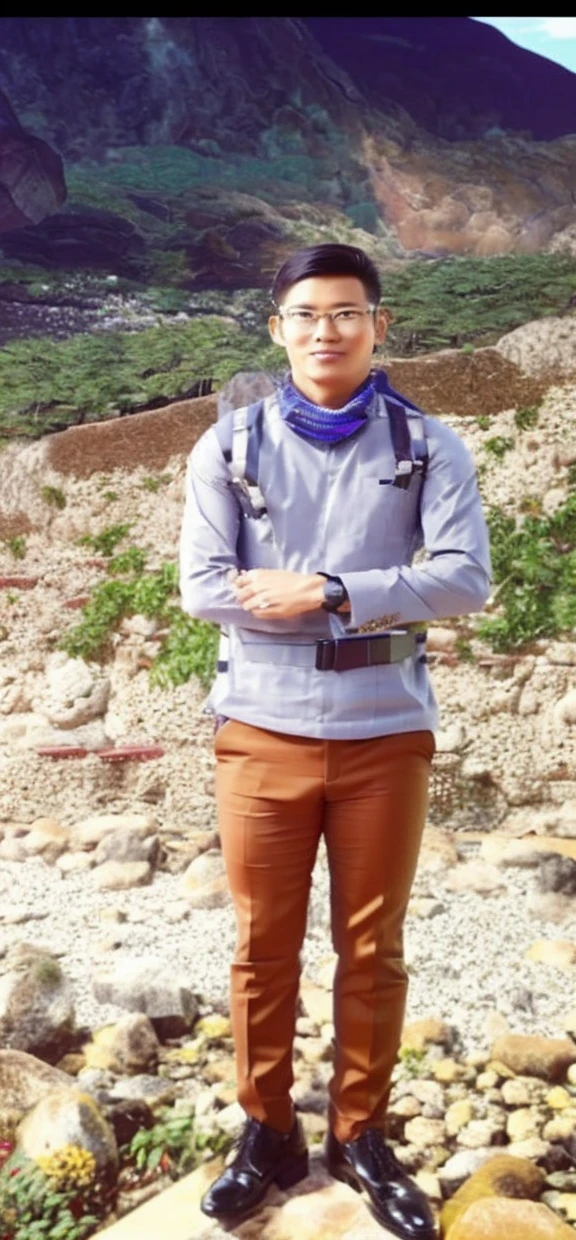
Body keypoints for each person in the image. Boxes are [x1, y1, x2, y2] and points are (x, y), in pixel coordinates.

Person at [179, 243, 491, 1239]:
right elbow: (202, 590)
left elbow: (466, 581)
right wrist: (381, 602)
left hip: (385, 734)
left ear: (379, 325)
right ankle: (267, 1126)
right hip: (261, 731)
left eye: (347, 312)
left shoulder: (429, 447)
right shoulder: (227, 448)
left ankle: (361, 1129)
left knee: (372, 945)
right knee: (262, 946)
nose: (327, 329)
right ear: (278, 329)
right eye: (306, 313)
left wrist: (329, 590)